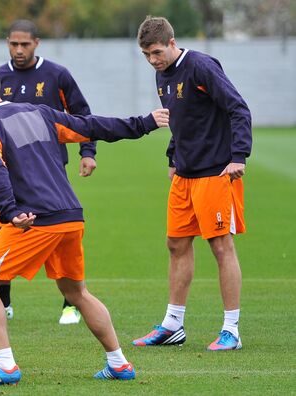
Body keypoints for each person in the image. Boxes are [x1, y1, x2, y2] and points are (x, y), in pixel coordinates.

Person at [0, 66, 169, 385]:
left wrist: (9, 211)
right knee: (75, 291)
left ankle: (4, 365)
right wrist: (143, 123)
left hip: (35, 220)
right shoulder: (41, 113)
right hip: (70, 216)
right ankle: (119, 363)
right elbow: (91, 126)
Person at [132, 16, 252, 351]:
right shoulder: (162, 74)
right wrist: (173, 157)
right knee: (176, 244)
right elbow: (180, 119)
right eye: (146, 55)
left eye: (156, 52)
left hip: (216, 172)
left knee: (220, 246)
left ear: (172, 43)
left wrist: (239, 156)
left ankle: (232, 329)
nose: (153, 60)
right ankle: (173, 325)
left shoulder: (201, 66)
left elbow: (238, 109)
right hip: (185, 175)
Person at [0, 19, 98, 325]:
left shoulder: (56, 75)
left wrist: (87, 152)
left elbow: (81, 115)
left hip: (49, 166)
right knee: (4, 228)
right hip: (9, 169)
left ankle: (70, 303)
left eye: (25, 44)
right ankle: (3, 302)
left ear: (37, 42)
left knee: (58, 230)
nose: (19, 50)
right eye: (13, 44)